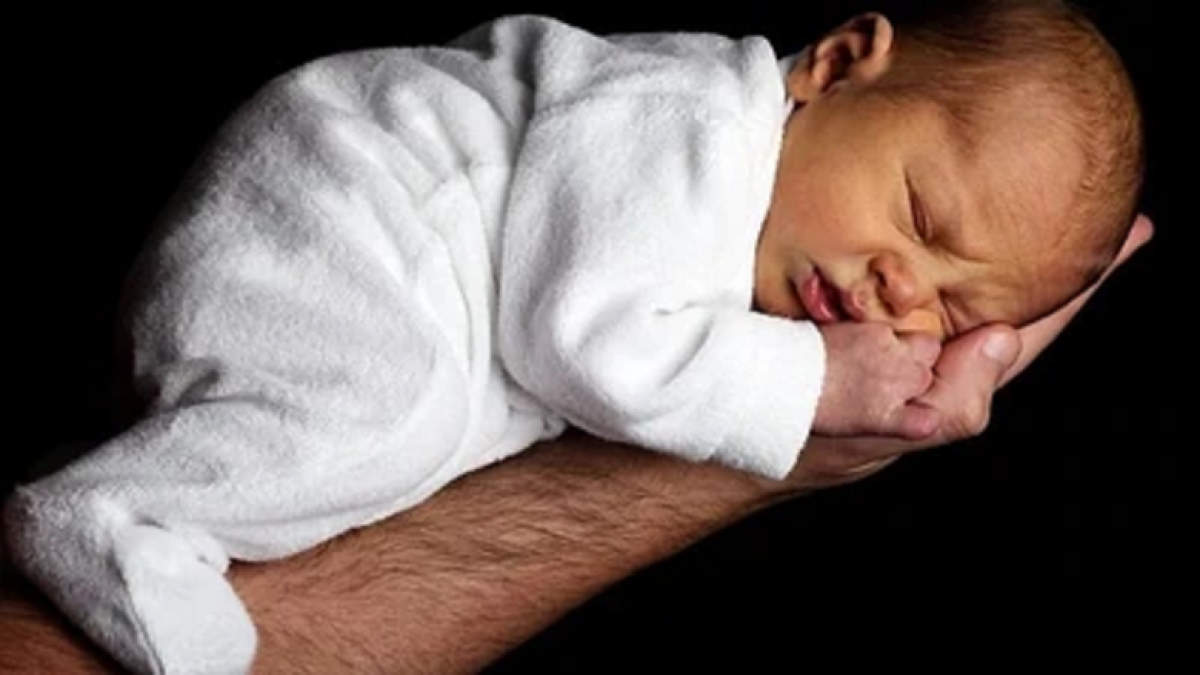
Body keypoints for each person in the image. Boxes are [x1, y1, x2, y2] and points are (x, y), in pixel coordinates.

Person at [2, 1, 1145, 672]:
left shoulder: (757, 206)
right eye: (920, 218)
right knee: (382, 418)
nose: (904, 292)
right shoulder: (687, 125)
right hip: (346, 215)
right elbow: (586, 340)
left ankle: (169, 490)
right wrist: (806, 382)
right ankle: (107, 516)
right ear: (839, 65)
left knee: (381, 457)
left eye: (955, 310)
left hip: (392, 268)